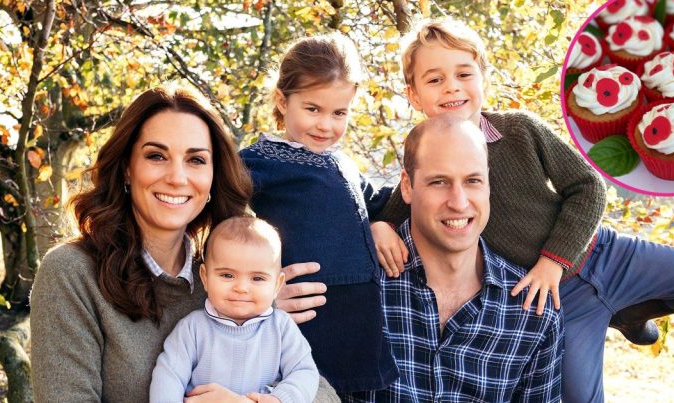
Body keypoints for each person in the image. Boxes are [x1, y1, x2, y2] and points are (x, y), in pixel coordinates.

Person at [366, 19, 674, 403]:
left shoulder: (520, 130)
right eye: (435, 80)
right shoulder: (428, 164)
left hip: (600, 254)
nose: (452, 88)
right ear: (413, 96)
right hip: (559, 299)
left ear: (483, 79)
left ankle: (629, 312)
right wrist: (380, 227)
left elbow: (588, 186)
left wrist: (553, 260)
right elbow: (397, 211)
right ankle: (615, 315)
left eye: (464, 74)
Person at [28, 84, 331, 403]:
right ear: (128, 169)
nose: (177, 177)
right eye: (156, 156)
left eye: (196, 160)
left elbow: (322, 392)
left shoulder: (232, 274)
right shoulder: (72, 273)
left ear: (214, 174)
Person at [350, 115, 563, 402]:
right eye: (439, 182)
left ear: (488, 184)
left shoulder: (532, 311)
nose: (459, 202)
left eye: (473, 181)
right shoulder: (355, 284)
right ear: (407, 186)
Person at [238, 33, 398, 397]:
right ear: (282, 100)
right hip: (308, 326)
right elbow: (218, 223)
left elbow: (380, 201)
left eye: (339, 113)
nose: (326, 125)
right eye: (313, 109)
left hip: (360, 332)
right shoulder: (258, 162)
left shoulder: (343, 163)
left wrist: (381, 223)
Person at [149, 216, 318, 403]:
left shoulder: (281, 327)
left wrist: (281, 399)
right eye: (227, 275)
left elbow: (303, 371)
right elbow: (168, 376)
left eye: (257, 278)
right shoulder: (192, 329)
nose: (241, 288)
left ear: (277, 285)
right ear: (205, 278)